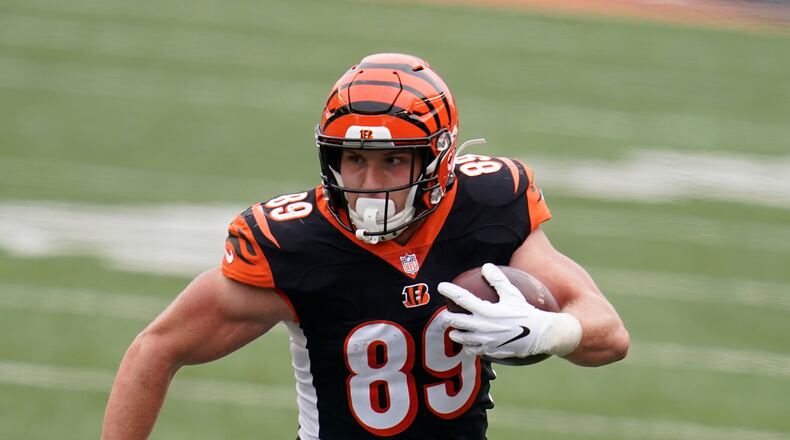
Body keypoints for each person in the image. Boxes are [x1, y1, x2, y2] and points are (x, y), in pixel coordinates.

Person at [102, 53, 629, 440]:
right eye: (354, 159)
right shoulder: (295, 245)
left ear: (437, 161)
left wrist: (553, 331)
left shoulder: (488, 209)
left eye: (393, 161)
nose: (369, 182)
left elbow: (610, 335)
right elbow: (156, 349)